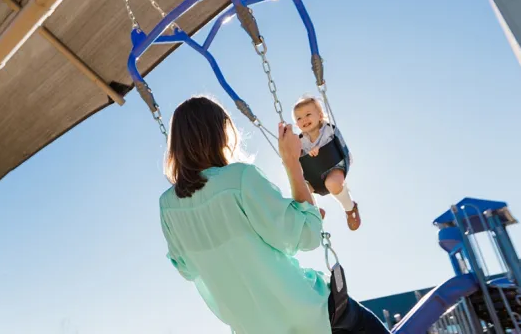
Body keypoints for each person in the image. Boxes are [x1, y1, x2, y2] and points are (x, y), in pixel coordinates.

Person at [159, 95, 389, 334]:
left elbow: (187, 269)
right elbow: (308, 236)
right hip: (310, 314)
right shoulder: (240, 178)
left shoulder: (167, 206)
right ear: (221, 133)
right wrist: (291, 162)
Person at [292, 95, 360, 231]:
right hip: (314, 175)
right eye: (299, 118)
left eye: (308, 114)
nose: (304, 119)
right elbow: (296, 157)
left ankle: (350, 208)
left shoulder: (328, 130)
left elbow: (335, 143)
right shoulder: (300, 141)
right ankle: (315, 213)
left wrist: (319, 150)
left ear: (320, 115)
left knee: (332, 184)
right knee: (300, 190)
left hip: (335, 165)